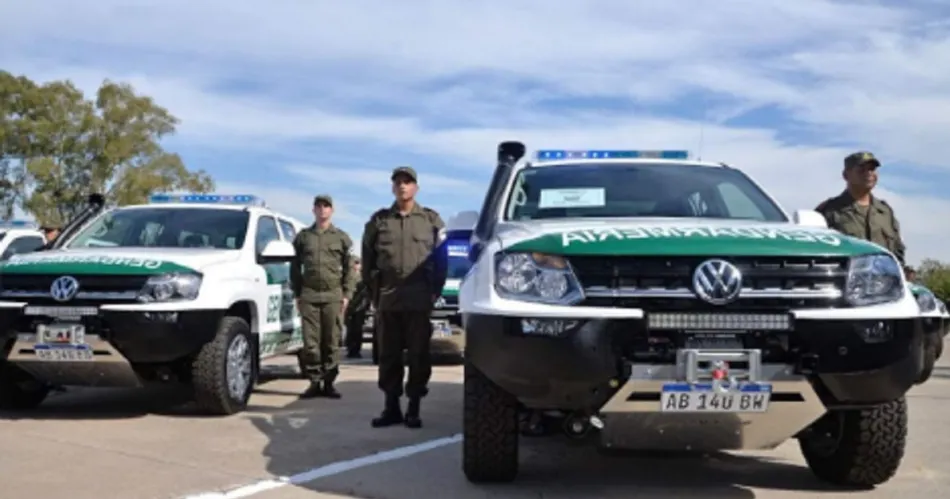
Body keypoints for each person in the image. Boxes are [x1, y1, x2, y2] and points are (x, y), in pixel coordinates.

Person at [362, 166, 447, 429]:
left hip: (418, 298)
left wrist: (434, 291)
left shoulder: (431, 220)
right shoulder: (379, 221)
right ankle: (391, 408)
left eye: (407, 182)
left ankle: (414, 408)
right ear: (392, 187)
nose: (402, 186)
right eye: (398, 182)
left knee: (419, 355)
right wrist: (374, 294)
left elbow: (442, 260)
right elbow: (367, 260)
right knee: (388, 355)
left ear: (416, 188)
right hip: (388, 298)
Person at [290, 194, 354, 399]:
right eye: (318, 206)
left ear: (332, 210)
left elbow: (349, 268)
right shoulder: (303, 237)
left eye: (326, 206)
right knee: (311, 343)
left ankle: (329, 383)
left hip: (333, 296)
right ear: (313, 210)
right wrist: (297, 294)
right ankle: (314, 382)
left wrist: (347, 294)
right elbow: (294, 268)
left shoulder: (341, 238)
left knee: (331, 341)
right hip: (309, 296)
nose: (322, 209)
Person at [815, 151, 906, 264]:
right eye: (861, 169)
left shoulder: (885, 212)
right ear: (846, 175)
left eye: (872, 169)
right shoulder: (829, 211)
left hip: (883, 275)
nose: (868, 173)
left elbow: (898, 253)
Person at [344, 257, 371, 358]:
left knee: (357, 330)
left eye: (358, 263)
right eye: (355, 264)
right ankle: (350, 348)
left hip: (359, 307)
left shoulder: (362, 277)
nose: (356, 266)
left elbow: (365, 292)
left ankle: (356, 349)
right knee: (350, 329)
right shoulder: (349, 276)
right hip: (350, 306)